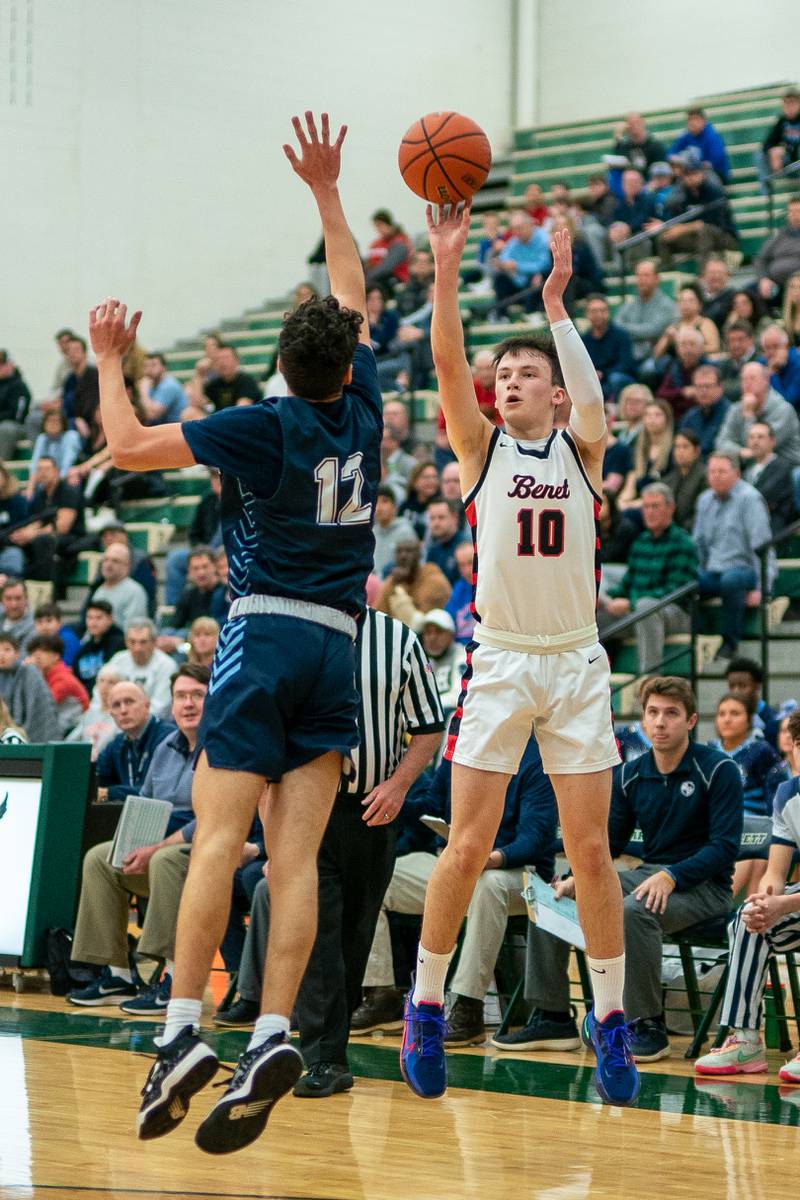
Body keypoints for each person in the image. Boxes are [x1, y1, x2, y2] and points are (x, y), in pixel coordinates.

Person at [89, 111, 383, 1152]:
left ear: (279, 361)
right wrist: (326, 192)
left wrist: (108, 356)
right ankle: (269, 1031)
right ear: (348, 362)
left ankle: (180, 1032)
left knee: (218, 837)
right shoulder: (367, 405)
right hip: (336, 647)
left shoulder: (262, 425)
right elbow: (350, 290)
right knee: (293, 861)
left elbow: (123, 448)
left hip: (261, 633)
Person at [403, 209, 636, 1107]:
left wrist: (555, 307)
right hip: (498, 658)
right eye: (504, 373)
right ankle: (427, 1003)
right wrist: (446, 267)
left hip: (575, 662)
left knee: (592, 851)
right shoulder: (480, 448)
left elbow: (592, 393)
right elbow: (443, 361)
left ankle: (609, 1020)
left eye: (526, 372)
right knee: (466, 846)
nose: (508, 382)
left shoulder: (584, 448)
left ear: (555, 392)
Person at [216, 608, 444, 1100]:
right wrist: (272, 830)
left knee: (355, 936)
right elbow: (264, 739)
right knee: (319, 936)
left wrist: (400, 786)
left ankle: (328, 1051)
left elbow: (428, 726)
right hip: (304, 810)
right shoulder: (288, 636)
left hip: (373, 810)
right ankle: (324, 1058)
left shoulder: (398, 639)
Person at [494, 677, 741, 1063]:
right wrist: (580, 878)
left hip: (705, 887)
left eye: (671, 714)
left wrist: (673, 875)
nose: (661, 722)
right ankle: (554, 1016)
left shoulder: (719, 769)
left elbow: (725, 847)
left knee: (633, 911)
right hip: (649, 876)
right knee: (552, 896)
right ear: (643, 720)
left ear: (691, 721)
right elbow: (607, 844)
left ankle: (646, 1025)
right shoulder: (630, 773)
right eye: (653, 713)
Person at [356, 735, 557, 1047]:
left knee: (488, 886)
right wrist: (389, 800)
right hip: (457, 862)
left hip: (519, 874)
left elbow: (534, 838)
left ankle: (468, 1005)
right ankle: (381, 993)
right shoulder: (460, 747)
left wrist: (491, 858)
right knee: (375, 877)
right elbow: (429, 806)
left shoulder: (535, 757)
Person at [66, 666, 211, 1009]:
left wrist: (156, 847)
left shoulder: (221, 748)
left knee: (164, 859)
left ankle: (175, 977)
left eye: (197, 696)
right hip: (161, 851)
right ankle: (118, 974)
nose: (188, 704)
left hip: (206, 850)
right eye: (181, 696)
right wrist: (131, 844)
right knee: (101, 858)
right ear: (171, 704)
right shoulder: (164, 748)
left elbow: (215, 819)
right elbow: (145, 807)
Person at [694, 712, 800, 1082]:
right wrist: (764, 903)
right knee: (748, 919)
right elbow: (775, 870)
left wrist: (783, 904)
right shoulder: (788, 794)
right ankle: (745, 1040)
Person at [600, 483, 698, 674]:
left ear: (670, 508)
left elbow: (675, 590)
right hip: (637, 611)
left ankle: (650, 680)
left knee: (646, 607)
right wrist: (604, 599)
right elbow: (627, 585)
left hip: (676, 614)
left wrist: (631, 604)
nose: (650, 512)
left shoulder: (682, 542)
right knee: (592, 618)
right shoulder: (640, 542)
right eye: (646, 507)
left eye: (655, 506)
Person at [692, 452, 773, 660]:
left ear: (736, 474)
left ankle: (731, 642)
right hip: (712, 570)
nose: (716, 476)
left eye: (722, 471)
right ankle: (697, 638)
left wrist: (762, 588)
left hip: (743, 570)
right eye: (712, 471)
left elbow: (762, 546)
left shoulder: (750, 499)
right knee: (686, 579)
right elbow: (698, 543)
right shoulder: (704, 500)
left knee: (731, 580)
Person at [95, 681, 174, 801]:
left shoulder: (168, 737)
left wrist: (108, 793)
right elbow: (96, 778)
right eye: (116, 705)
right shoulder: (117, 744)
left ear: (147, 705)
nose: (123, 710)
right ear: (111, 714)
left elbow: (157, 791)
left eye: (129, 702)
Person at [712, 692, 788, 816]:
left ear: (750, 719)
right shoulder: (708, 750)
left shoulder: (761, 751)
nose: (727, 719)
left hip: (752, 829)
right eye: (721, 714)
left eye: (735, 713)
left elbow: (776, 801)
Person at [657, 153, 738, 266]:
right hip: (697, 237)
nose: (690, 177)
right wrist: (666, 227)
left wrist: (683, 229)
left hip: (725, 237)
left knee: (704, 231)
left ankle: (703, 274)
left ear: (701, 173)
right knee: (665, 237)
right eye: (686, 175)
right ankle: (666, 273)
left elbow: (709, 223)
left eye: (693, 173)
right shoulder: (684, 194)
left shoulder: (713, 191)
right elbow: (677, 218)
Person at [715, 361, 800, 470]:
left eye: (752, 378)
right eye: (744, 379)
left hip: (787, 469)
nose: (747, 383)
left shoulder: (783, 410)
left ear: (766, 381)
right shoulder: (735, 409)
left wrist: (749, 416)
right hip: (751, 468)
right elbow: (721, 442)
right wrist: (741, 452)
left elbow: (759, 447)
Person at [106, 620, 176, 720]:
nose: (137, 648)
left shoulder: (167, 666)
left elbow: (161, 708)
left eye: (143, 642)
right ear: (126, 642)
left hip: (153, 725)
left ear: (154, 642)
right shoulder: (117, 661)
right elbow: (102, 695)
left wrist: (128, 720)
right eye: (132, 642)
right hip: (117, 721)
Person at [374, 536, 450, 626]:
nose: (403, 556)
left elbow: (419, 625)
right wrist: (397, 584)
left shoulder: (433, 578)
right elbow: (378, 619)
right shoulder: (391, 581)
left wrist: (399, 590)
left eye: (409, 551)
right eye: (399, 551)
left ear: (419, 555)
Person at [615, 260, 677, 369]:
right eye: (639, 276)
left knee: (648, 370)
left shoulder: (666, 305)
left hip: (654, 359)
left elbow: (652, 330)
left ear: (657, 279)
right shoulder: (631, 303)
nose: (642, 280)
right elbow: (616, 324)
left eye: (646, 275)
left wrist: (625, 330)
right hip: (629, 358)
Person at [0, 631, 59, 742]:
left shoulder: (29, 672)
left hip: (22, 736)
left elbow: (41, 711)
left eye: (7, 649)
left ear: (17, 654)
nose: (1, 654)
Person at [489, 211, 551, 316]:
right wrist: (501, 264)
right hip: (519, 282)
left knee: (536, 278)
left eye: (519, 228)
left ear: (530, 225)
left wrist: (517, 266)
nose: (516, 232)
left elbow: (545, 264)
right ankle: (501, 315)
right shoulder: (514, 241)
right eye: (513, 229)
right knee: (500, 278)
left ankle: (532, 313)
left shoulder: (543, 238)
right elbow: (503, 258)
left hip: (539, 280)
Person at [26, 633, 89, 736]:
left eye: (44, 651)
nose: (37, 655)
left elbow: (42, 706)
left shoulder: (63, 679)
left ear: (56, 656)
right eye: (33, 652)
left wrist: (31, 673)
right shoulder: (45, 676)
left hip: (76, 729)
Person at [617, 397, 673, 510]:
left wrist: (634, 504)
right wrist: (621, 501)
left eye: (658, 415)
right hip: (637, 503)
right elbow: (630, 487)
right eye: (648, 415)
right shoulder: (637, 449)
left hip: (658, 505)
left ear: (667, 419)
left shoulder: (673, 450)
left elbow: (669, 489)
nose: (652, 419)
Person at [743, 420, 797, 534]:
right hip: (746, 526)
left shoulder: (783, 467)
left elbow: (762, 497)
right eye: (751, 437)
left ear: (772, 441)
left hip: (773, 531)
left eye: (760, 437)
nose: (755, 441)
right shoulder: (746, 467)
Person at [580, 295, 637, 402]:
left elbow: (626, 364)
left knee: (615, 379)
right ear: (587, 314)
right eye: (594, 311)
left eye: (602, 310)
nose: (599, 315)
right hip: (594, 382)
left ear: (608, 312)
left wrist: (603, 373)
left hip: (619, 379)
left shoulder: (621, 335)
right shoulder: (583, 340)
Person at [86, 543, 149, 632]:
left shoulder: (134, 591)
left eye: (115, 561)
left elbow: (132, 630)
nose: (108, 565)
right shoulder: (99, 590)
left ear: (127, 566)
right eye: (105, 560)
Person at [65, 664, 122, 759]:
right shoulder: (90, 714)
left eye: (111, 682)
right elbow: (70, 742)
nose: (105, 686)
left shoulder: (122, 715)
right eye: (101, 681)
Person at [725, 655, 781, 747]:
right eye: (732, 686)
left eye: (742, 686)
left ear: (757, 686)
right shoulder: (727, 719)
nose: (736, 692)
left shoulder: (773, 720)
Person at [72, 599, 126, 693]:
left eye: (98, 618)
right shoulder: (85, 647)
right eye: (89, 618)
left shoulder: (119, 644)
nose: (93, 622)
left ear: (110, 619)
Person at [655, 327, 708, 422]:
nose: (688, 349)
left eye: (692, 344)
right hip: (676, 418)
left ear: (701, 348)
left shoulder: (708, 368)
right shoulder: (673, 367)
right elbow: (661, 394)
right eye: (683, 345)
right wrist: (682, 392)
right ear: (678, 349)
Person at [679, 363, 731, 458]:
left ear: (720, 387)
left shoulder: (730, 414)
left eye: (708, 386)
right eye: (699, 387)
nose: (703, 391)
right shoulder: (689, 417)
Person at [420, 609, 467, 713]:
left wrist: (424, 708)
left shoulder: (462, 657)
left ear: (451, 635)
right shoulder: (426, 663)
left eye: (439, 632)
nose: (432, 638)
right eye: (428, 632)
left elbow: (459, 696)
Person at [753, 196, 800, 300]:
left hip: (796, 283)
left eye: (797, 211)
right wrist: (763, 279)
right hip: (774, 283)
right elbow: (760, 258)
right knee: (748, 294)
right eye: (790, 212)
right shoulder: (780, 235)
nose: (794, 215)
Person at [667, 108, 731, 183]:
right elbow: (671, 153)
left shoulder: (712, 136)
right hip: (695, 172)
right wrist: (677, 162)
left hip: (716, 174)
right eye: (690, 120)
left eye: (696, 119)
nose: (693, 123)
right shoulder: (687, 135)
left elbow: (712, 162)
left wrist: (695, 169)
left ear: (704, 121)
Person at [662, 429, 707, 530]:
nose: (680, 451)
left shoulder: (704, 477)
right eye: (677, 447)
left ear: (696, 451)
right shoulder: (668, 479)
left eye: (685, 447)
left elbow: (700, 514)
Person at [364, 208, 413, 292]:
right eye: (376, 226)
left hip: (394, 281)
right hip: (376, 279)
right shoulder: (376, 244)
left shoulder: (399, 243)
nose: (378, 229)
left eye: (380, 225)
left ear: (388, 224)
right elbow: (368, 263)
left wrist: (366, 279)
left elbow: (387, 267)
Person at [372, 486, 416, 577]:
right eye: (376, 502)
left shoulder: (405, 532)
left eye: (384, 501)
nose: (379, 507)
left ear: (395, 507)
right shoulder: (372, 533)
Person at [201, 344, 262, 411]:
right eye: (218, 359)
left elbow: (242, 409)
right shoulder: (214, 384)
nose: (222, 362)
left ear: (237, 361)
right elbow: (200, 403)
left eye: (226, 358)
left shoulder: (247, 381)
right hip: (221, 418)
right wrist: (199, 374)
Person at [424, 499, 468, 586]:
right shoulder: (432, 550)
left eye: (441, 517)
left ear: (455, 518)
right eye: (432, 518)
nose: (436, 523)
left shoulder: (466, 547)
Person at [0, 350, 31, 461]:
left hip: (15, 427)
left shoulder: (19, 386)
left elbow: (17, 415)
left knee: (6, 428)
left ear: (10, 364)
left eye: (2, 363)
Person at [760, 324, 800, 409]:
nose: (771, 352)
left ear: (786, 346)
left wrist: (773, 374)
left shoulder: (798, 364)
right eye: (767, 348)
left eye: (775, 347)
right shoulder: (761, 363)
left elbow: (788, 403)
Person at [398, 461, 441, 540]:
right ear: (414, 481)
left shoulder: (441, 506)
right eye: (426, 477)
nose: (431, 481)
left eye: (434, 477)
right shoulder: (405, 507)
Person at [139, 353, 187, 424]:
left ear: (164, 367)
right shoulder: (150, 384)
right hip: (163, 427)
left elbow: (152, 416)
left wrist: (143, 391)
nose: (149, 369)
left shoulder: (169, 385)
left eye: (153, 365)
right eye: (146, 366)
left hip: (177, 428)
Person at [719, 320, 759, 403]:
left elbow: (745, 388)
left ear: (751, 340)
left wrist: (717, 388)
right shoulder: (725, 363)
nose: (736, 345)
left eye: (740, 339)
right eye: (732, 340)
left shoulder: (759, 361)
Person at [762, 88, 800, 175]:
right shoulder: (782, 121)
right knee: (760, 155)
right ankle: (767, 184)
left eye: (792, 102)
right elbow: (767, 143)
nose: (788, 106)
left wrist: (787, 148)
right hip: (789, 162)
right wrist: (773, 151)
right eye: (785, 103)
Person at [444, 541, 475, 646]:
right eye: (461, 565)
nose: (467, 570)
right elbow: (448, 620)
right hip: (460, 649)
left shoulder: (490, 587)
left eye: (471, 563)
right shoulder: (459, 588)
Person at [32, 601, 80, 668]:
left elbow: (66, 667)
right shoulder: (39, 640)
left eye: (49, 621)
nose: (44, 626)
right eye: (39, 622)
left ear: (59, 622)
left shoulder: (68, 640)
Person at [0, 579, 35, 651]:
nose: (14, 605)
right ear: (2, 600)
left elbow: (24, 658)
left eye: (18, 598)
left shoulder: (35, 625)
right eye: (8, 599)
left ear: (26, 599)